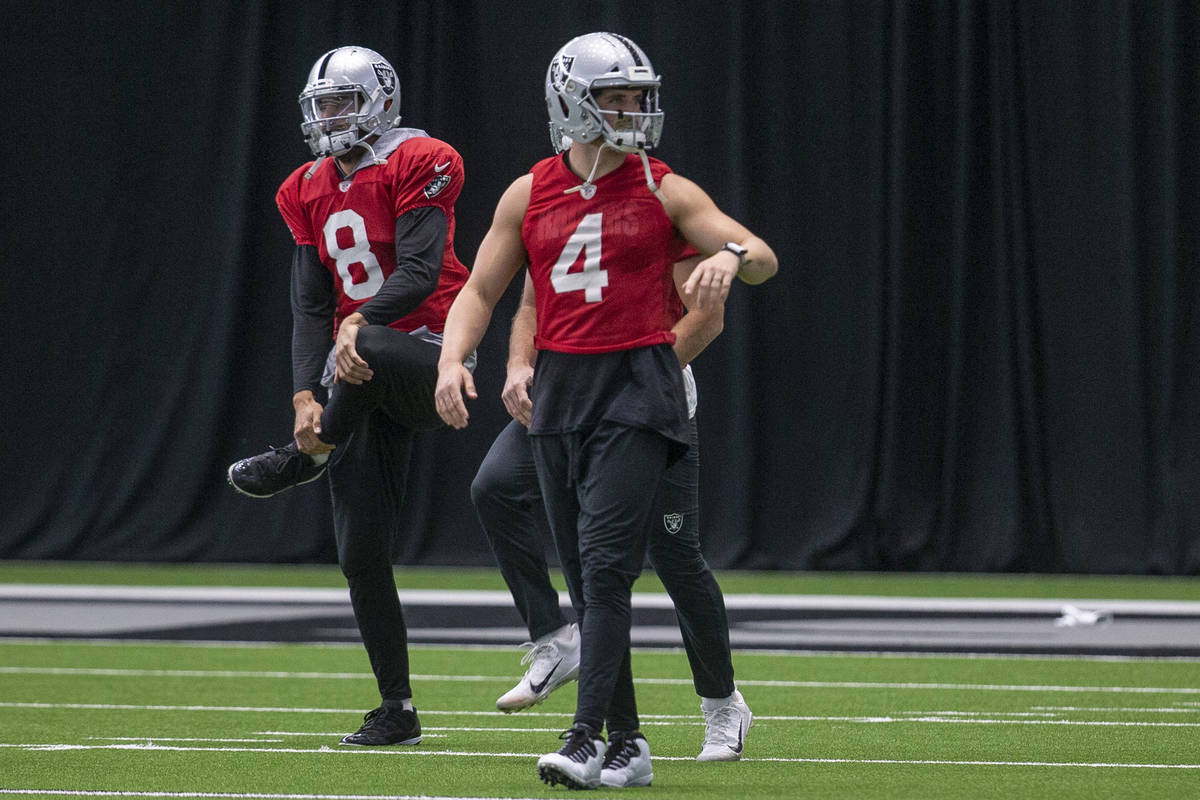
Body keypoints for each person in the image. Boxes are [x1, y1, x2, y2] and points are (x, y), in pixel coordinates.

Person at [434, 32, 777, 789]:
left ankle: (619, 727)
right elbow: (491, 292)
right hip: (565, 395)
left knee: (641, 566)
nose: (632, 111)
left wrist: (729, 257)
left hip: (642, 391)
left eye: (637, 96)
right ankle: (625, 740)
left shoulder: (664, 188)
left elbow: (758, 255)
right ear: (571, 101)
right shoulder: (530, 193)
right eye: (616, 96)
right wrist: (458, 359)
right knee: (587, 572)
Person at [225, 45, 471, 748]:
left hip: (433, 358)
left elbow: (422, 272)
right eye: (321, 105)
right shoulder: (302, 187)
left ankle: (308, 458)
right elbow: (309, 306)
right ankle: (397, 708)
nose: (329, 116)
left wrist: (360, 322)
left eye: (341, 102)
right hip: (353, 375)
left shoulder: (422, 158)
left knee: (361, 344)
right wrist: (305, 395)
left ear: (380, 102)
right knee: (361, 553)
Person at [474, 262, 757, 765]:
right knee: (495, 488)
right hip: (566, 404)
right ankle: (556, 641)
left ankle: (722, 703)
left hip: (648, 412)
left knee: (673, 556)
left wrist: (638, 383)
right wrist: (519, 364)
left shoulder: (654, 205)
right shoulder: (546, 203)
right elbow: (530, 306)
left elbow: (708, 317)